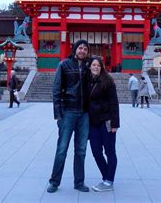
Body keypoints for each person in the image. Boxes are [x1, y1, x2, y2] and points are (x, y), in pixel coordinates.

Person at [47, 39, 91, 194]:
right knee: (62, 149)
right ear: (75, 49)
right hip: (68, 112)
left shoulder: (88, 67)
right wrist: (58, 115)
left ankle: (79, 182)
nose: (82, 51)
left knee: (81, 150)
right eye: (80, 48)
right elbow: (56, 89)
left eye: (85, 49)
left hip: (84, 114)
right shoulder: (64, 65)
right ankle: (54, 181)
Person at [88, 56, 120, 192]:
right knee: (96, 152)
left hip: (106, 122)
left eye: (98, 65)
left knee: (110, 152)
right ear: (89, 66)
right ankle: (107, 177)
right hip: (93, 123)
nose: (96, 67)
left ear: (102, 67)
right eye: (93, 65)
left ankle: (108, 181)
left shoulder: (108, 81)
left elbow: (114, 103)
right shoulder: (87, 81)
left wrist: (115, 124)